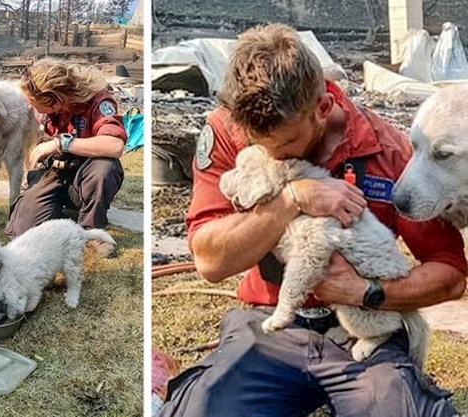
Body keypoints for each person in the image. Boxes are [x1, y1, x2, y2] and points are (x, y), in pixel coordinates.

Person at [158, 24, 468, 417]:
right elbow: (209, 261)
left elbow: (451, 274)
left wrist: (365, 292)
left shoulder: (386, 148)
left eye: (286, 145)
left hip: (366, 325)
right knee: (203, 409)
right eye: (258, 144)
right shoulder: (230, 129)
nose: (273, 155)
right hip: (270, 322)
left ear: (322, 109)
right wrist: (292, 197)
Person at [5, 59, 127, 258]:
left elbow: (115, 146)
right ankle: (54, 213)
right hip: (53, 173)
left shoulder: (98, 102)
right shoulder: (43, 109)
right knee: (22, 233)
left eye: (32, 102)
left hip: (84, 176)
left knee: (105, 167)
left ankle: (92, 229)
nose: (28, 106)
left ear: (55, 99)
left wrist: (61, 143)